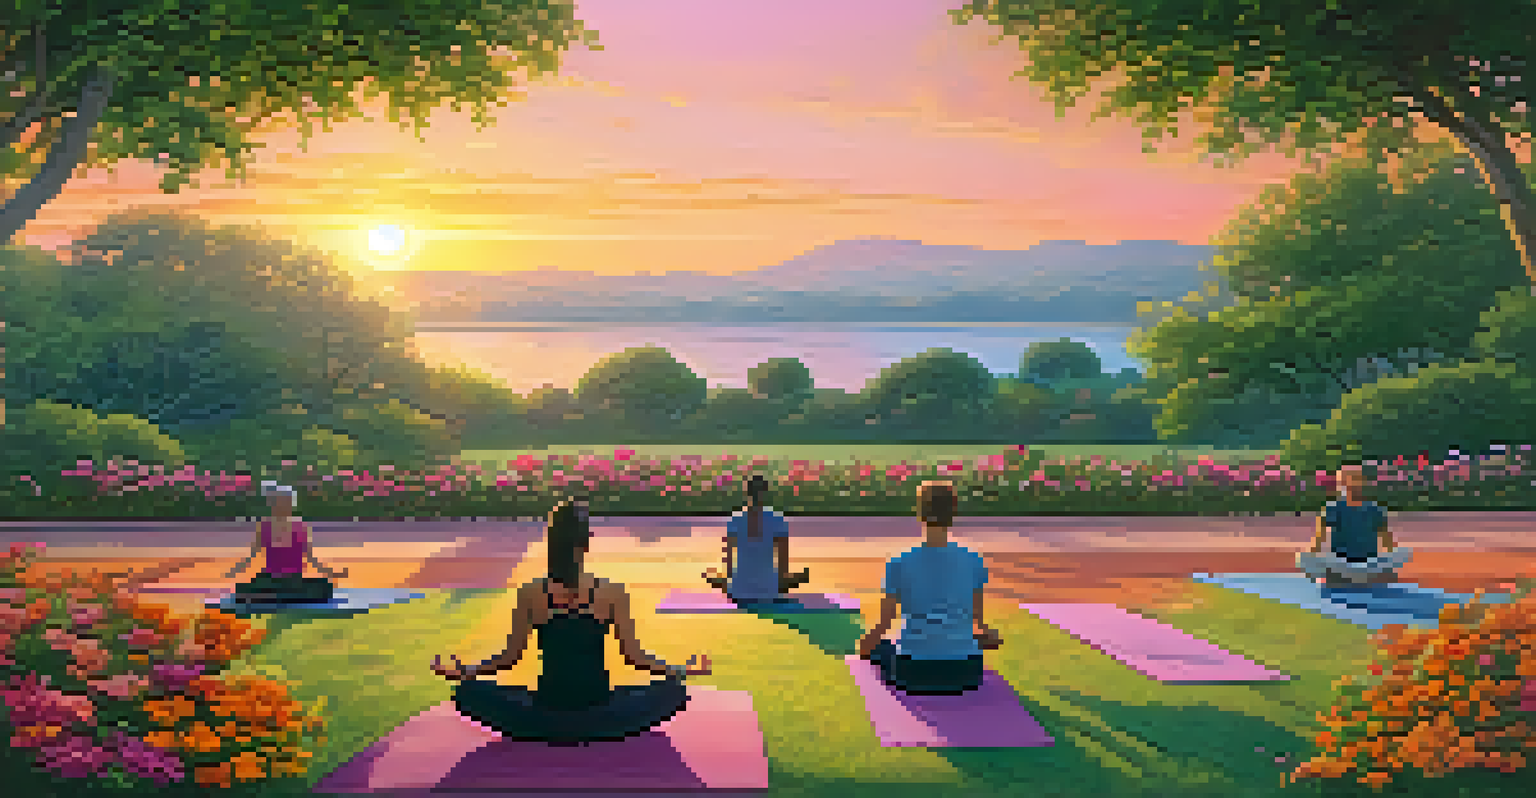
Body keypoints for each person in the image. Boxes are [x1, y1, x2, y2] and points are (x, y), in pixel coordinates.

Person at [431, 496, 712, 745]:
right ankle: (600, 728)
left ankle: (549, 728)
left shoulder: (531, 592)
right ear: (586, 542)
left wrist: (468, 672)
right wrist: (680, 670)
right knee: (672, 690)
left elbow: (509, 658)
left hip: (545, 714)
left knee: (469, 692)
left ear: (552, 540)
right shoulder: (611, 592)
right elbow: (635, 657)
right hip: (602, 714)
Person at [855, 480, 1002, 695]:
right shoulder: (973, 560)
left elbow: (884, 623)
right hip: (966, 673)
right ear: (953, 514)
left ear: (919, 514)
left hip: (914, 671)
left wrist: (866, 646)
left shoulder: (898, 562)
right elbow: (977, 621)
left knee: (882, 647)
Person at [224, 482, 348, 604]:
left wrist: (332, 573)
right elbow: (253, 554)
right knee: (319, 589)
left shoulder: (296, 526)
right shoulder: (268, 526)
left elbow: (310, 558)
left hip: (286, 581)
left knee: (248, 591)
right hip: (280, 581)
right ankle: (286, 594)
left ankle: (276, 595)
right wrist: (236, 569)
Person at [1296, 465, 1414, 587]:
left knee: (1404, 552)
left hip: (1370, 565)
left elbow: (1388, 542)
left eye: (1354, 479)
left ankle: (1351, 578)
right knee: (1302, 557)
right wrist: (1311, 559)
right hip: (1342, 564)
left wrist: (1390, 563)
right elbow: (1318, 541)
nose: (1346, 484)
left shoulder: (1375, 509)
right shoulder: (1332, 508)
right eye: (1343, 480)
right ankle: (1357, 578)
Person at [702, 475, 810, 603]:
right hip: (769, 590)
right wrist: (782, 583)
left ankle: (725, 582)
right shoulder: (777, 519)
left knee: (719, 578)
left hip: (740, 590)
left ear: (747, 493)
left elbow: (728, 559)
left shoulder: (735, 519)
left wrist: (730, 581)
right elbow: (782, 559)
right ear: (765, 493)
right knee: (797, 577)